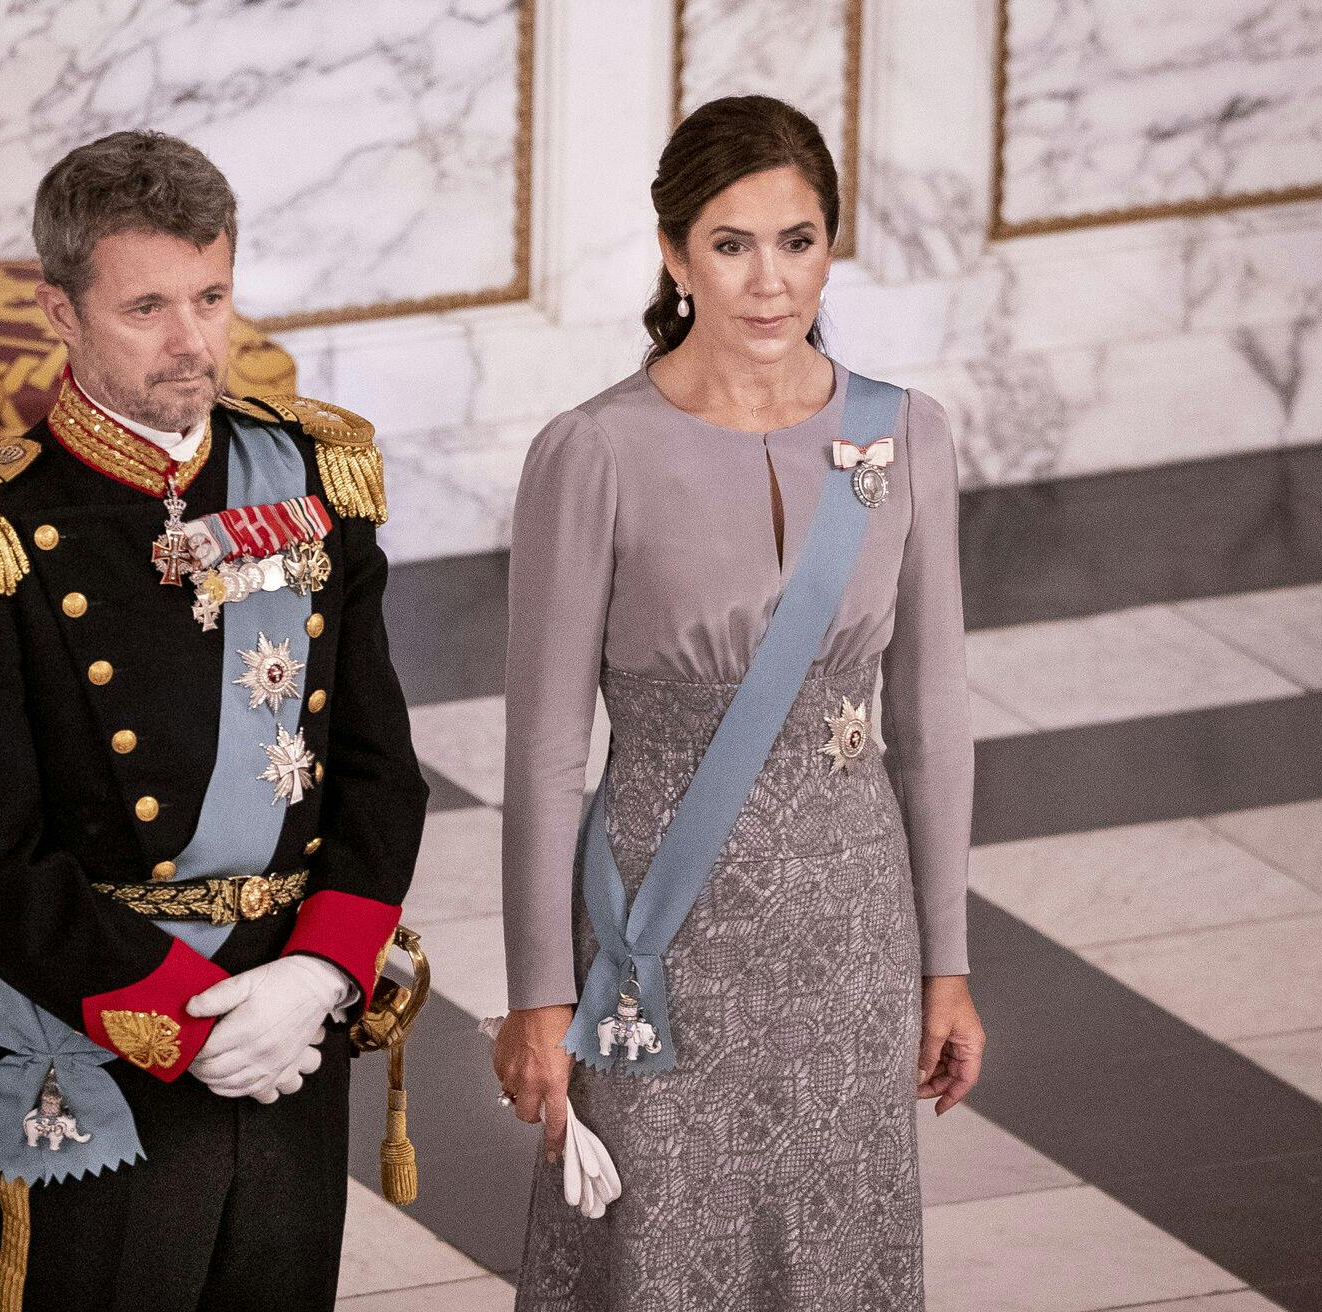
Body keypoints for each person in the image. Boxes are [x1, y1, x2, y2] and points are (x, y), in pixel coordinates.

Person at [0, 130, 428, 1312]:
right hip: (108, 1030)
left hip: (287, 1026)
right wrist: (185, 1018)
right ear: (62, 312)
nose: (193, 342)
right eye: (148, 308)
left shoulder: (314, 479)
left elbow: (381, 771)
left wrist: (319, 974)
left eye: (213, 296)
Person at [492, 95, 986, 1309]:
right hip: (663, 934)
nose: (770, 282)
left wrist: (948, 963)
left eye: (798, 241)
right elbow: (548, 751)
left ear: (831, 247)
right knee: (667, 1251)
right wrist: (537, 993)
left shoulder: (907, 435)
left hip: (849, 934)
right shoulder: (592, 452)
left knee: (836, 1242)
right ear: (674, 253)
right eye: (731, 243)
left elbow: (931, 717)